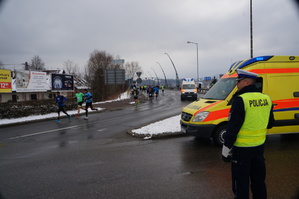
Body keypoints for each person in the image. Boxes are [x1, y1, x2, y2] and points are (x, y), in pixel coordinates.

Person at [222, 69, 274, 199]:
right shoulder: (266, 98)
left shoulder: (240, 100)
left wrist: (225, 149)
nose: (236, 84)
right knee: (259, 182)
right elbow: (270, 123)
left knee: (241, 184)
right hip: (259, 149)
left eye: (238, 82)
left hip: (241, 151)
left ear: (246, 82)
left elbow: (232, 129)